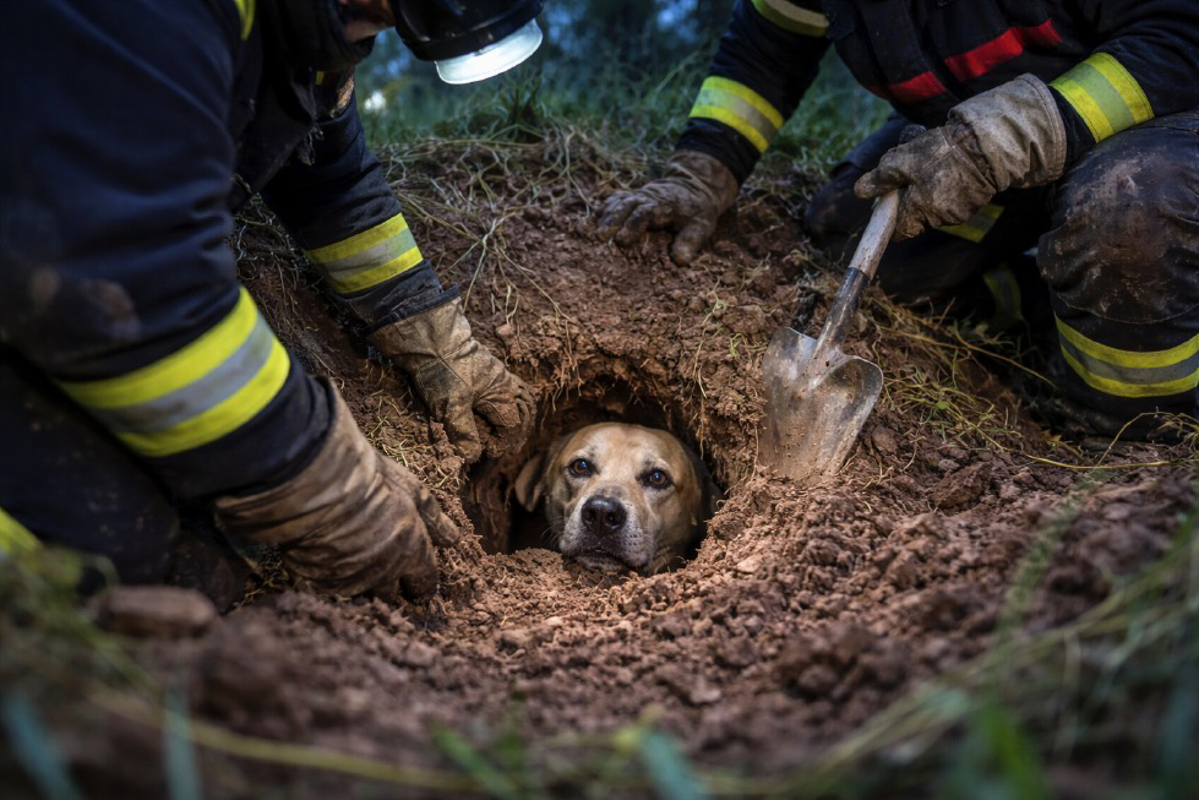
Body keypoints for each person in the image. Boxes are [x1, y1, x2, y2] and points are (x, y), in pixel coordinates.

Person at [0, 0, 544, 600]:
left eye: (383, 21)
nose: (366, 29)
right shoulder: (150, 18)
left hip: (74, 281)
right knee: (130, 549)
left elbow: (331, 183)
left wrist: (433, 332)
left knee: (202, 550)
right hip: (51, 286)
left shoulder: (305, 31)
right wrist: (316, 479)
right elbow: (125, 281)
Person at [599, 0, 1199, 440]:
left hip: (1158, 129)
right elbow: (765, 52)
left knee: (1126, 218)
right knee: (852, 237)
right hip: (980, 131)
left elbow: (1179, 37)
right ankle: (1043, 302)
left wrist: (1011, 136)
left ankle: (1138, 434)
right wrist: (703, 172)